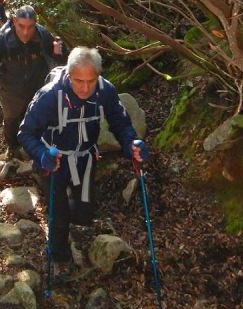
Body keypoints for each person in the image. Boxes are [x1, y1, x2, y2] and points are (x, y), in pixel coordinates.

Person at [17, 46, 148, 280]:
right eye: (79, 81)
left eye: (91, 81)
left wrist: (131, 144)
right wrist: (41, 155)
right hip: (54, 160)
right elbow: (26, 133)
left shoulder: (105, 90)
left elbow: (121, 123)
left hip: (86, 157)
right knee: (59, 215)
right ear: (68, 75)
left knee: (85, 212)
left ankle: (72, 225)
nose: (85, 88)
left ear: (98, 76)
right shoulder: (49, 95)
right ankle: (59, 256)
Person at [0, 5, 63, 159]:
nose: (26, 32)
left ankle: (35, 151)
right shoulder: (3, 39)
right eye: (21, 26)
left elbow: (61, 62)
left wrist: (58, 54)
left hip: (37, 84)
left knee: (37, 118)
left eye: (30, 27)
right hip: (11, 87)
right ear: (14, 21)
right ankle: (12, 148)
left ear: (35, 24)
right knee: (11, 119)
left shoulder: (43, 35)